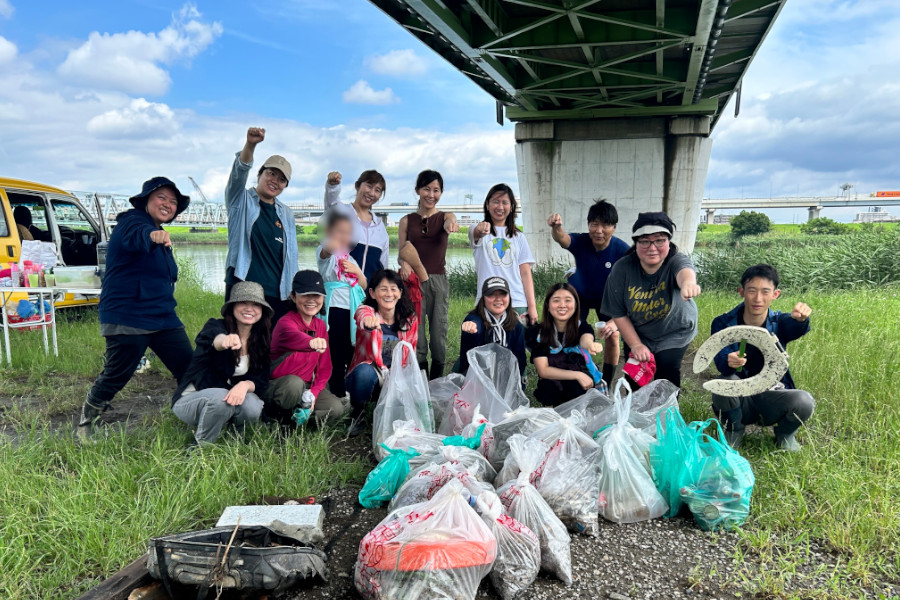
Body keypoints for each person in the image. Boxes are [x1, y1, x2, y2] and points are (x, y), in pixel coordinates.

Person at [78, 177, 194, 439]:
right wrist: (153, 234)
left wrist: (158, 235)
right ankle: (86, 424)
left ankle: (192, 412)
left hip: (163, 316)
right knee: (118, 373)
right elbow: (137, 236)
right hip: (127, 315)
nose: (168, 204)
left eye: (173, 201)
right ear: (146, 200)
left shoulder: (161, 237)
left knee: (190, 367)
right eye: (161, 197)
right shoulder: (131, 222)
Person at [710, 264, 815, 451]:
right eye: (752, 291)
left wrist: (801, 320)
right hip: (741, 398)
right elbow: (718, 358)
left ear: (775, 294)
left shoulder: (780, 322)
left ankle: (784, 434)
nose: (758, 299)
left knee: (804, 401)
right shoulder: (723, 323)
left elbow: (795, 327)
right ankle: (734, 431)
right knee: (723, 383)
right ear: (741, 291)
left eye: (765, 292)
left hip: (771, 395)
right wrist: (728, 360)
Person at [601, 212, 701, 387]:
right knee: (634, 380)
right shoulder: (622, 268)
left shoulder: (675, 260)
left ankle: (667, 413)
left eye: (659, 240)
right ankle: (635, 413)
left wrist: (688, 284)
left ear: (668, 241)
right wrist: (636, 345)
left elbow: (685, 272)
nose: (652, 247)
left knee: (666, 372)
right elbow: (618, 313)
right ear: (636, 243)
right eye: (645, 241)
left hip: (674, 330)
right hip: (639, 331)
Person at [172, 282, 271, 445]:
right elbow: (211, 337)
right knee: (221, 399)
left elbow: (261, 380)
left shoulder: (261, 339)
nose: (249, 308)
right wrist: (224, 340)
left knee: (253, 404)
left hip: (226, 397)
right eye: (243, 303)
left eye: (255, 304)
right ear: (232, 307)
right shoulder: (216, 326)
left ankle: (235, 439)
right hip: (192, 398)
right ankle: (200, 446)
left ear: (262, 311)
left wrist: (245, 385)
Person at [548, 199, 630, 387]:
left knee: (613, 335)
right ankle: (574, 374)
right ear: (589, 225)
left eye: (605, 225)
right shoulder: (582, 240)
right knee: (570, 331)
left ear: (614, 228)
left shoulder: (623, 251)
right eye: (595, 224)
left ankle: (607, 381)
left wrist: (615, 320)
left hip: (608, 298)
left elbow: (629, 287)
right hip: (580, 295)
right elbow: (562, 238)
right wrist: (556, 227)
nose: (599, 230)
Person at [224, 126, 298, 323]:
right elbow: (239, 172)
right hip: (244, 289)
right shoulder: (240, 200)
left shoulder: (286, 214)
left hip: (278, 294)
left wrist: (294, 292)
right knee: (241, 345)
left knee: (273, 348)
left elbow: (292, 258)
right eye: (271, 174)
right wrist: (251, 144)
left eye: (282, 180)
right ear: (260, 174)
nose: (275, 181)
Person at [398, 170, 459, 379]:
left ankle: (438, 380)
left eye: (436, 190)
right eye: (426, 189)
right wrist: (404, 262)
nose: (431, 195)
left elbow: (449, 219)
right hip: (413, 283)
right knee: (418, 333)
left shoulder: (444, 216)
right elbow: (400, 252)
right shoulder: (406, 220)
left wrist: (450, 223)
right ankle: (422, 382)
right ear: (418, 190)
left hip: (439, 282)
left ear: (441, 193)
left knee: (438, 333)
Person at [265, 270, 347, 426]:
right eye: (305, 294)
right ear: (293, 296)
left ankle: (297, 420)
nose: (311, 300)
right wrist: (312, 342)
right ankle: (278, 418)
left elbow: (324, 369)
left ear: (323, 297)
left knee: (335, 409)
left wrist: (313, 393)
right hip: (280, 386)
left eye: (316, 295)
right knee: (294, 384)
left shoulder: (321, 326)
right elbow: (295, 337)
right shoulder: (285, 323)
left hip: (305, 386)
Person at [344, 269, 418, 437]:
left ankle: (391, 409)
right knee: (363, 373)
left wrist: (400, 376)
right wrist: (369, 322)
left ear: (400, 293)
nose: (389, 294)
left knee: (415, 382)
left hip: (396, 371)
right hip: (373, 371)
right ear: (372, 292)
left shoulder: (410, 319)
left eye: (393, 289)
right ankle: (358, 414)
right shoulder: (366, 311)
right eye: (383, 289)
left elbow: (410, 352)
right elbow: (361, 316)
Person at [527, 282, 605, 406]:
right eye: (556, 300)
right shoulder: (538, 332)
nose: (562, 305)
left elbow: (585, 339)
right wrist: (577, 375)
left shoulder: (582, 327)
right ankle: (556, 415)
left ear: (575, 304)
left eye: (568, 300)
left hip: (578, 376)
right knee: (547, 388)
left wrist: (591, 344)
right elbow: (543, 370)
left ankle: (579, 416)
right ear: (547, 305)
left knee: (575, 386)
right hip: (555, 376)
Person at [470, 183, 537, 325]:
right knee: (488, 346)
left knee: (516, 346)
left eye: (505, 202)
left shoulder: (519, 237)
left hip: (516, 302)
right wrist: (481, 229)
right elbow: (477, 232)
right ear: (487, 204)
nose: (500, 207)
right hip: (487, 300)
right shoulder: (478, 231)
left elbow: (525, 272)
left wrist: (532, 306)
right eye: (496, 201)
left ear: (511, 206)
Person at [317, 212, 368, 399]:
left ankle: (350, 391)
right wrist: (330, 243)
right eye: (339, 231)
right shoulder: (327, 254)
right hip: (335, 311)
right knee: (336, 353)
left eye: (347, 233)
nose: (343, 236)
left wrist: (358, 273)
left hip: (353, 312)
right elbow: (325, 251)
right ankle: (337, 393)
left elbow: (363, 285)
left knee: (351, 352)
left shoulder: (351, 259)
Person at [323, 169, 389, 282]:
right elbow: (331, 201)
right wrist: (332, 186)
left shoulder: (380, 227)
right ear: (357, 186)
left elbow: (383, 265)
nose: (372, 193)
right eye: (369, 186)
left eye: (377, 190)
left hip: (369, 294)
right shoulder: (341, 212)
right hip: (341, 292)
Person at [455, 276, 527, 378]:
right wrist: (471, 325)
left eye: (503, 294)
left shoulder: (516, 325)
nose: (498, 299)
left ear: (509, 297)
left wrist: (515, 385)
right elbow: (476, 324)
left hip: (505, 378)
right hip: (476, 379)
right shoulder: (475, 319)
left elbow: (520, 359)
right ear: (483, 298)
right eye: (491, 294)